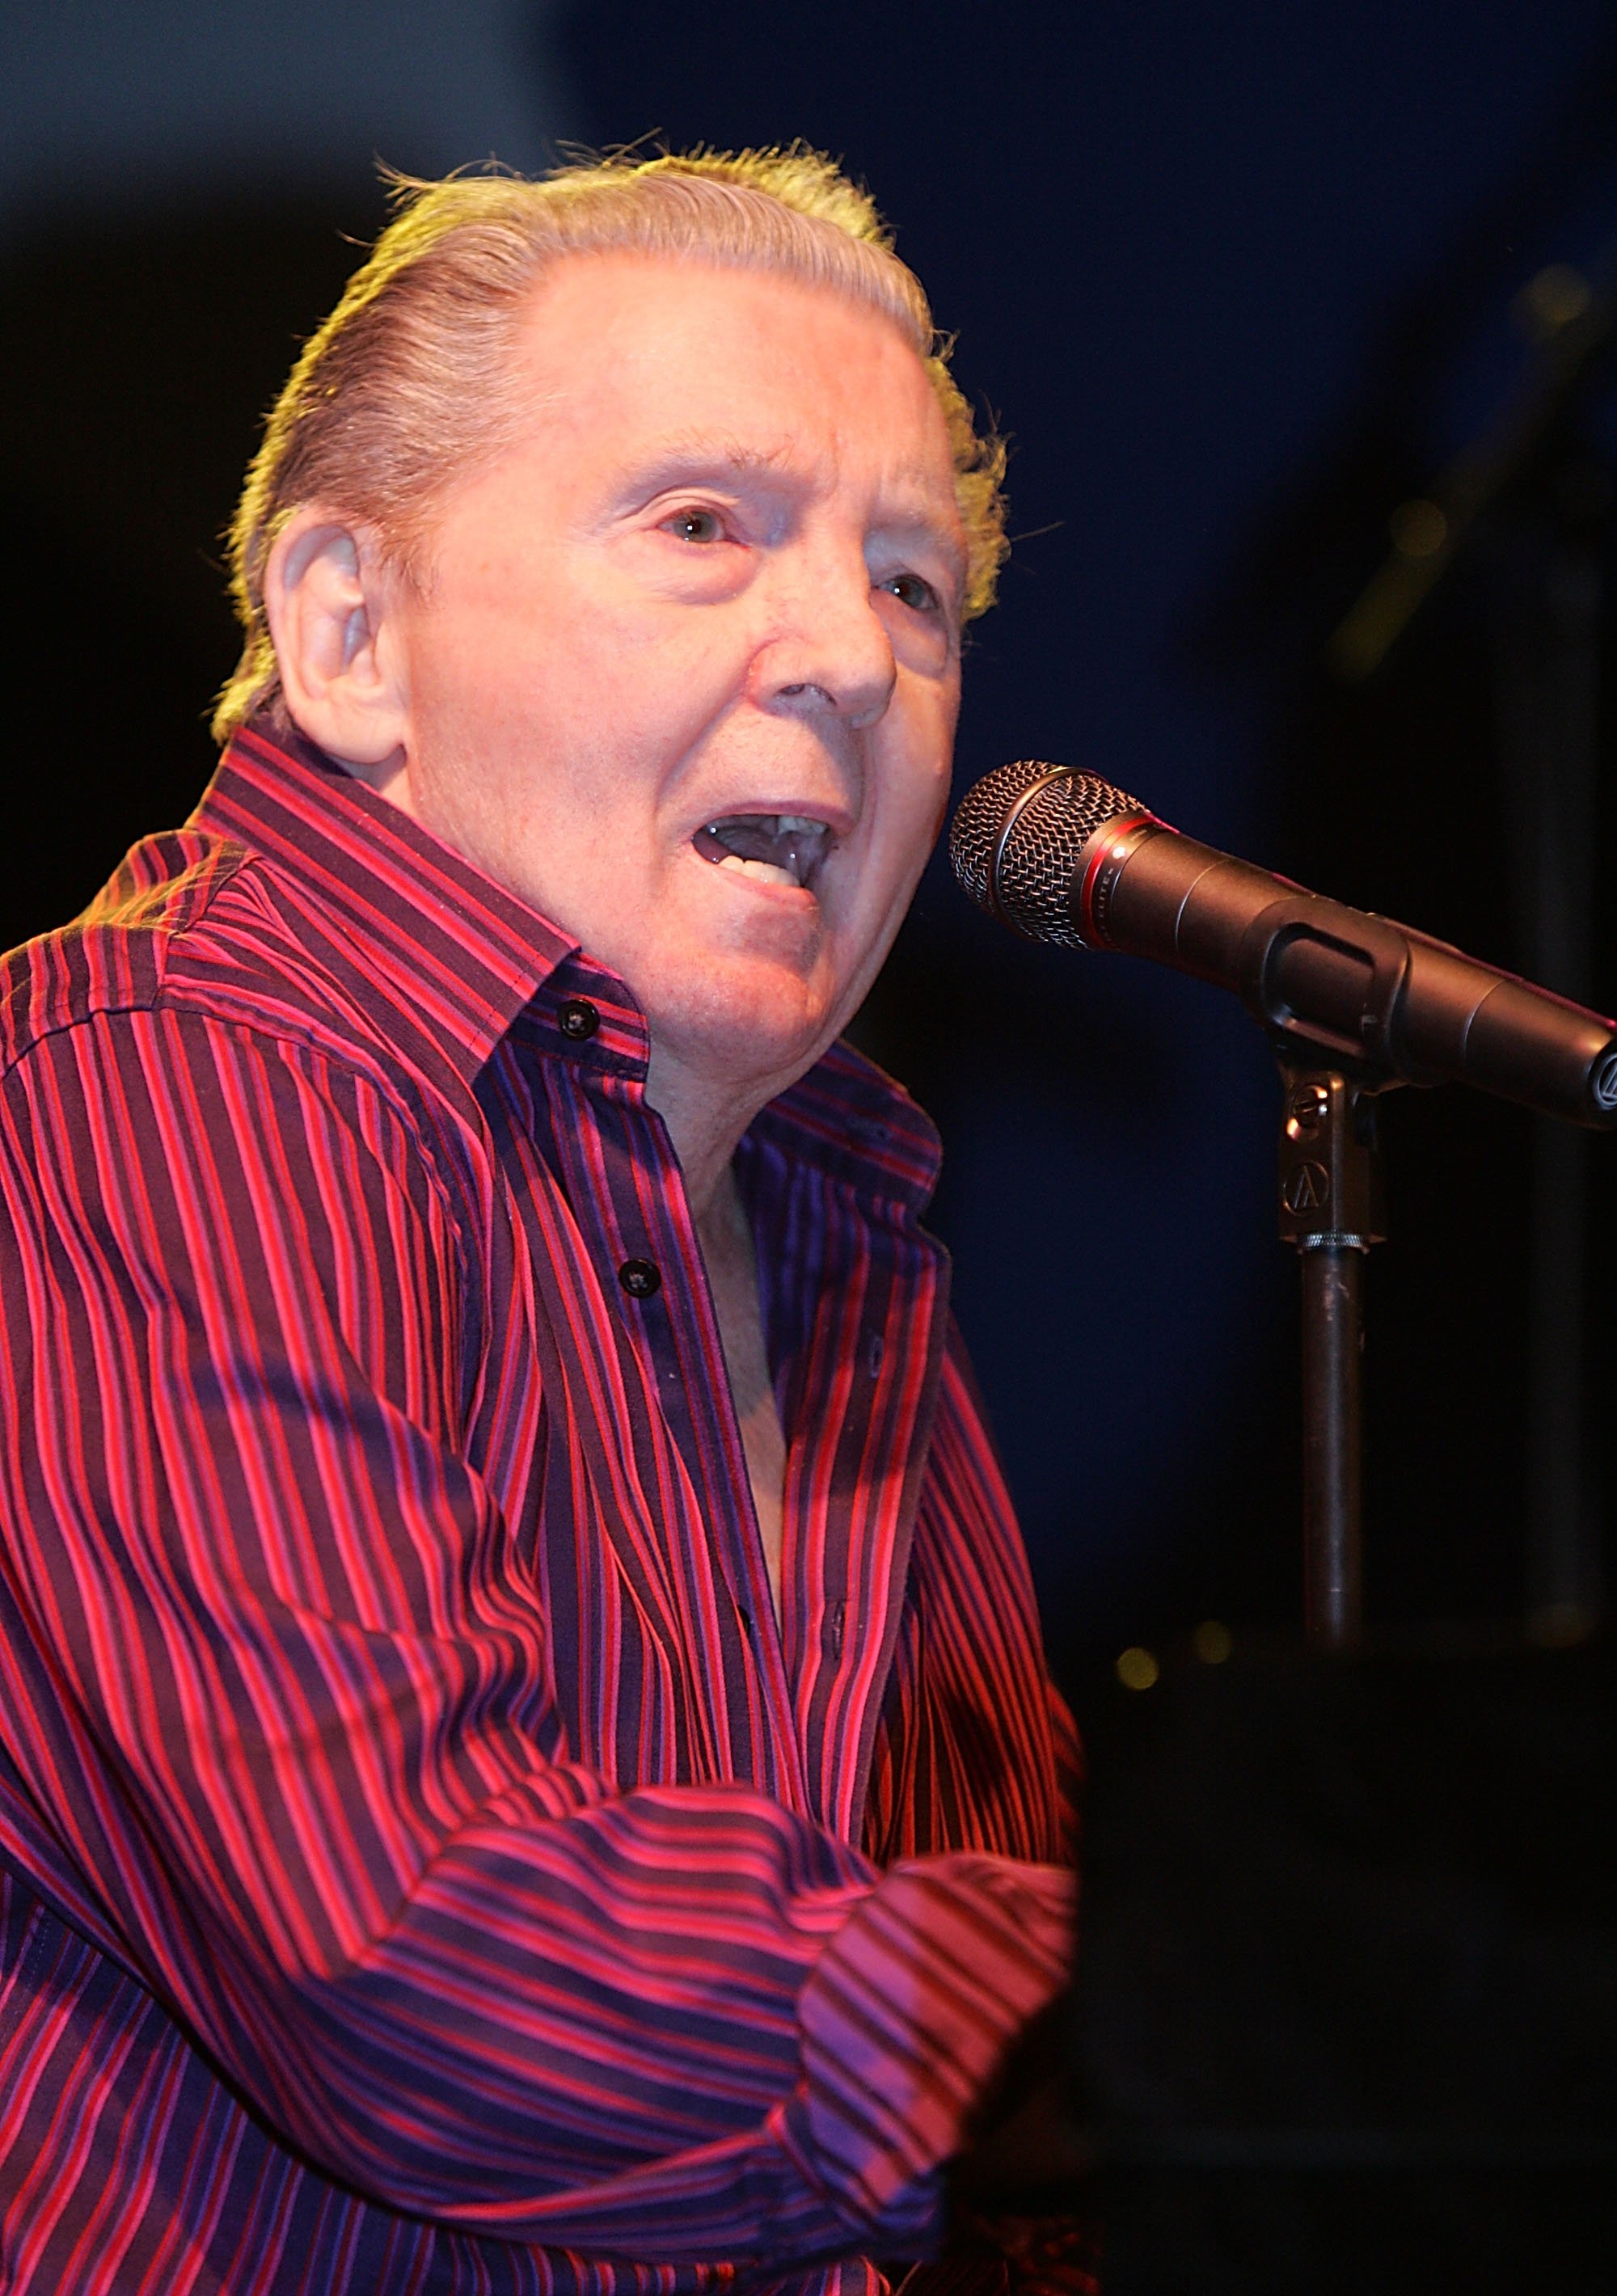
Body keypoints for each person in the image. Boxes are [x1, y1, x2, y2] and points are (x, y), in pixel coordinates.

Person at [0, 148, 1088, 2295]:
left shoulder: (841, 1224)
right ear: (348, 632)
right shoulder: (157, 1084)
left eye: (915, 586)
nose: (855, 661)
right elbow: (408, 1956)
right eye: (709, 528)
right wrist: (1183, 2013)